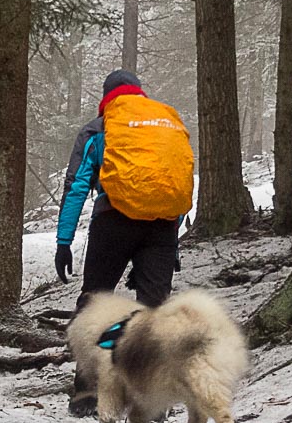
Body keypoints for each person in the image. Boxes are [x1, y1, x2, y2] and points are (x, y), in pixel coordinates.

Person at [54, 70, 193, 309]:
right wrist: (171, 241)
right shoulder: (164, 127)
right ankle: (147, 347)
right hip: (161, 226)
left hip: (113, 221)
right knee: (153, 311)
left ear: (107, 97)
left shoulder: (98, 129)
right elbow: (174, 184)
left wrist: (64, 242)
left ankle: (85, 346)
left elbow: (76, 187)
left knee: (95, 305)